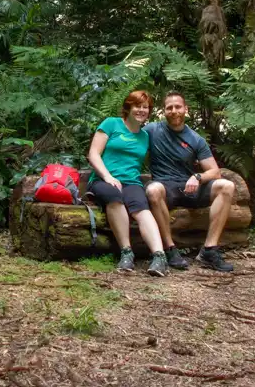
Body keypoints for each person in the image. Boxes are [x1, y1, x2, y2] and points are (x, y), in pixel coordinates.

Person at [144, 91, 236, 272]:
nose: (174, 111)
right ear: (164, 111)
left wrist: (197, 176)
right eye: (169, 108)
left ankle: (209, 250)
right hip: (165, 186)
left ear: (186, 109)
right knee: (153, 190)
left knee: (227, 186)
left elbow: (214, 171)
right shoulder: (152, 130)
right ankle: (170, 250)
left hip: (189, 186)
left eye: (178, 106)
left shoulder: (196, 139)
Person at [86, 90, 169, 276]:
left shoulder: (145, 136)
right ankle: (126, 252)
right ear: (128, 107)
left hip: (132, 182)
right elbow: (93, 154)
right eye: (137, 106)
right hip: (102, 179)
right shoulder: (111, 123)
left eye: (145, 107)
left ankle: (159, 256)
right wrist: (108, 177)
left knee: (141, 207)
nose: (141, 110)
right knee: (115, 197)